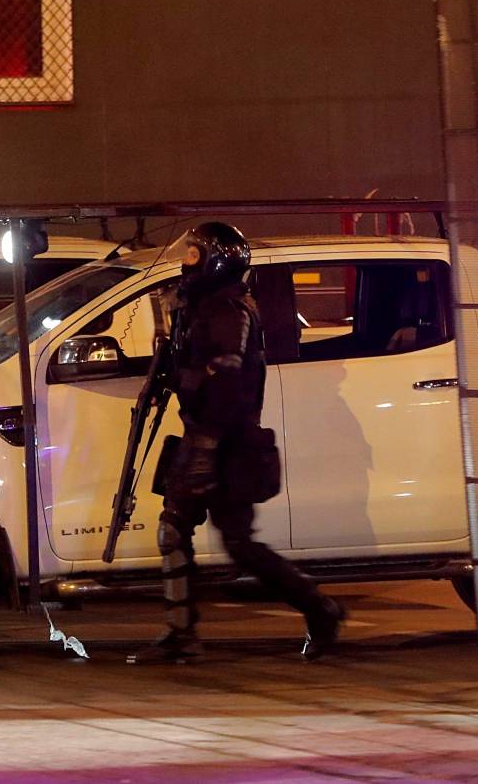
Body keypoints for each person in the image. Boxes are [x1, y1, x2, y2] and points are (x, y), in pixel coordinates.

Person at [128, 222, 344, 665]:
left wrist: (205, 447)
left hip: (227, 440)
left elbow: (227, 378)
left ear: (217, 259)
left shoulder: (227, 309)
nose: (187, 261)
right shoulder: (200, 305)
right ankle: (181, 634)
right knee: (179, 529)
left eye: (194, 254)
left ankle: (319, 609)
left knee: (236, 544)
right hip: (204, 433)